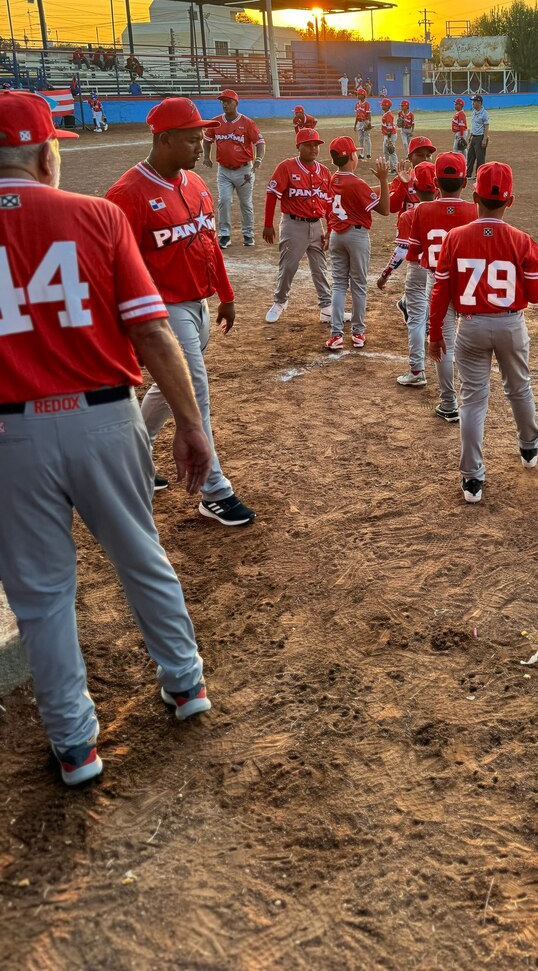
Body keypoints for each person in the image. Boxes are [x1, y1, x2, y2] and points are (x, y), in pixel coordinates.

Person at [0, 90, 213, 787]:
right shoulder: (96, 214)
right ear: (42, 151)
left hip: (10, 435)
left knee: (40, 595)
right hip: (101, 416)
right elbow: (152, 330)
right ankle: (185, 684)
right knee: (138, 553)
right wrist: (188, 420)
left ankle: (75, 745)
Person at [106, 97, 255, 528]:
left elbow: (208, 243)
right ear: (165, 139)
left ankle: (134, 455)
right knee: (195, 395)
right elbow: (112, 268)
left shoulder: (194, 182)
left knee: (172, 387)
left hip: (199, 303)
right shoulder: (127, 194)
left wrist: (224, 294)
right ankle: (215, 491)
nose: (200, 144)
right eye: (192, 139)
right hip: (162, 309)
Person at [428, 161, 538, 503]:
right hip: (510, 323)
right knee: (519, 388)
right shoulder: (522, 240)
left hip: (470, 326)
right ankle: (529, 447)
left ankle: (472, 479)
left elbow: (440, 292)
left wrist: (435, 331)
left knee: (472, 400)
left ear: (475, 197)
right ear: (510, 201)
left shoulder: (456, 238)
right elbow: (536, 294)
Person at [405, 152, 477, 421]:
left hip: (438, 281)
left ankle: (449, 402)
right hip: (470, 281)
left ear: (435, 182)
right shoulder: (474, 210)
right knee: (472, 340)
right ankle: (472, 401)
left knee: (443, 341)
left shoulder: (421, 210)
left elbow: (416, 251)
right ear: (465, 182)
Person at [262, 125, 334, 324]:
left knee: (320, 267)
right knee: (289, 266)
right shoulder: (287, 167)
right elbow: (272, 194)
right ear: (299, 146)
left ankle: (326, 307)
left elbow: (328, 205)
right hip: (293, 224)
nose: (313, 149)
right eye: (308, 145)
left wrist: (329, 229)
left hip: (317, 225)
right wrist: (268, 224)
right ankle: (280, 301)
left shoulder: (325, 172)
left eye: (316, 145)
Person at [324, 138, 390, 350]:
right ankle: (358, 332)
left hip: (336, 235)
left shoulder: (333, 179)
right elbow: (385, 209)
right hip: (356, 236)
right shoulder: (357, 183)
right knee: (359, 285)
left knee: (339, 284)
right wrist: (383, 180)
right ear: (352, 157)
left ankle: (336, 335)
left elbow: (356, 192)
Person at [377, 161, 438, 388]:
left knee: (416, 320)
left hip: (418, 269)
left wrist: (386, 273)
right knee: (443, 320)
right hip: (442, 271)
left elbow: (402, 250)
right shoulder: (455, 210)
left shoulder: (409, 216)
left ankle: (416, 370)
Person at [201, 89, 264, 248]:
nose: (225, 104)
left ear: (236, 103)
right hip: (224, 171)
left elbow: (260, 143)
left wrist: (258, 158)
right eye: (223, 102)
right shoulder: (216, 122)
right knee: (224, 200)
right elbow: (207, 140)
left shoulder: (247, 123)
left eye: (228, 101)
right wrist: (206, 157)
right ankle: (224, 234)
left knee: (246, 203)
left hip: (244, 171)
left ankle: (248, 234)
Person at [465, 94, 489, 177]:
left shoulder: (484, 113)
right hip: (473, 137)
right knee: (470, 156)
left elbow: (486, 126)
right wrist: (470, 136)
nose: (473, 103)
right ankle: (468, 174)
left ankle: (479, 175)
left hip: (480, 137)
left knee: (480, 157)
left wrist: (484, 139)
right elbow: (473, 125)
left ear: (479, 102)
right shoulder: (474, 112)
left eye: (474, 101)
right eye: (473, 101)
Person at [380, 97, 398, 175]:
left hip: (390, 135)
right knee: (386, 151)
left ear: (387, 106)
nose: (381, 106)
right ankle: (388, 167)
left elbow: (390, 129)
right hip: (387, 135)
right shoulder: (386, 114)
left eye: (383, 105)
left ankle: (395, 168)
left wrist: (389, 139)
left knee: (391, 151)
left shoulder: (388, 115)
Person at [353, 88, 373, 159]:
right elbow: (357, 116)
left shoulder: (366, 104)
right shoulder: (357, 104)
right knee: (360, 139)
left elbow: (368, 114)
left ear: (363, 95)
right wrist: (355, 125)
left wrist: (369, 123)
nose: (357, 95)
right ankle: (361, 154)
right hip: (359, 122)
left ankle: (368, 154)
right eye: (357, 94)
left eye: (359, 94)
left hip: (365, 121)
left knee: (367, 138)